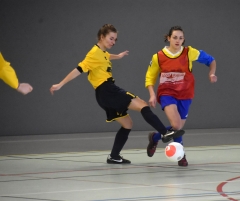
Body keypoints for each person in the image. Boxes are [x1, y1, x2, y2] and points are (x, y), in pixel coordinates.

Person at [50, 24, 184, 164]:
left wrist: (118, 56)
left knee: (127, 123)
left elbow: (106, 56)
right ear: (102, 37)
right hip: (108, 90)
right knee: (143, 105)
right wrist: (60, 84)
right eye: (111, 39)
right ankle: (164, 132)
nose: (113, 42)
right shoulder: (93, 53)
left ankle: (114, 156)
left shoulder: (101, 52)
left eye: (115, 40)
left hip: (102, 96)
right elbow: (78, 69)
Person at [145, 26, 217, 166]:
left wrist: (211, 73)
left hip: (185, 94)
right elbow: (150, 77)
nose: (178, 40)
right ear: (168, 38)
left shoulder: (189, 52)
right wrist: (152, 94)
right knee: (176, 125)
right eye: (175, 37)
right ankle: (181, 155)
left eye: (181, 38)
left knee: (177, 129)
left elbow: (211, 60)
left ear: (183, 39)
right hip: (167, 93)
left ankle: (155, 137)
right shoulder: (158, 56)